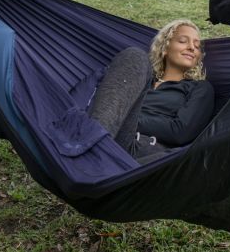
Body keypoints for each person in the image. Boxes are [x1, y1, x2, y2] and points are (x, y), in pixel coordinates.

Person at [88, 19, 215, 161]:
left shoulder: (199, 87)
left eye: (197, 46)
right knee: (134, 56)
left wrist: (123, 116)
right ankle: (91, 141)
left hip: (137, 149)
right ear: (165, 48)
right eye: (183, 41)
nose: (192, 47)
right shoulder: (141, 79)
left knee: (135, 55)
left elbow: (180, 131)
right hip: (108, 137)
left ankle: (90, 143)